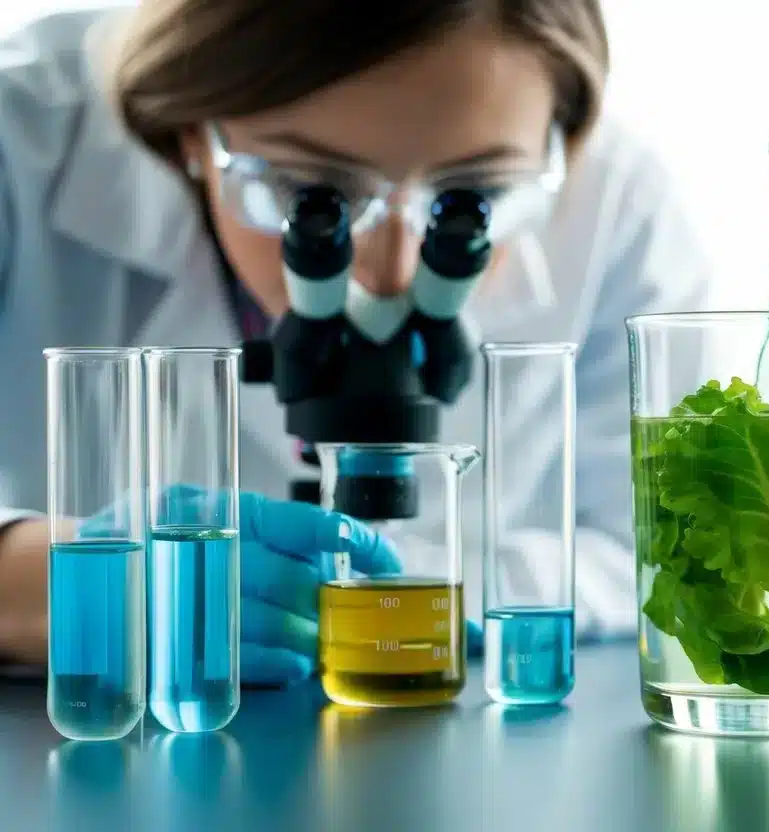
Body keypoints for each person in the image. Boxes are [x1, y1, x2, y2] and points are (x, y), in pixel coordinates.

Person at [0, 3, 713, 685]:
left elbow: (667, 553)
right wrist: (40, 581)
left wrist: (411, 578)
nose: (391, 270)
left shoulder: (617, 208)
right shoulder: (19, 143)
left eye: (471, 201)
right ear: (190, 132)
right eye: (311, 195)